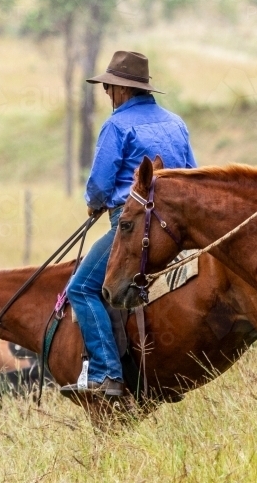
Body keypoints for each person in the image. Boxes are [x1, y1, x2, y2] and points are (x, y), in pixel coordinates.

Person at [60, 51, 196, 399]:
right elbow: (194, 175)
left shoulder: (118, 125)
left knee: (81, 289)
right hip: (181, 226)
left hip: (133, 222)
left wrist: (93, 206)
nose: (108, 94)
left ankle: (107, 373)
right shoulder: (176, 123)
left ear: (121, 90)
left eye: (109, 88)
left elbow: (101, 185)